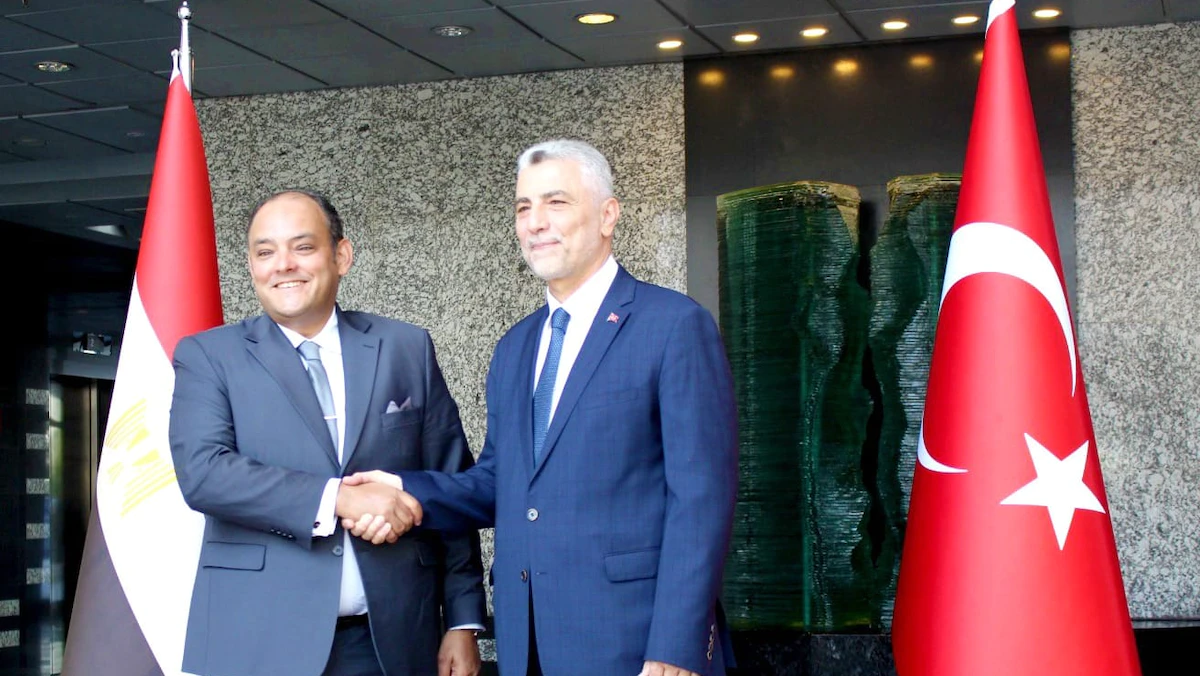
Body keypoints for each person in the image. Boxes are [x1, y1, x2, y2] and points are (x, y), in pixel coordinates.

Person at [346, 140, 739, 676]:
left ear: (607, 215)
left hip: (636, 643)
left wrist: (675, 646)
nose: (535, 223)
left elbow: (701, 499)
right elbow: (500, 483)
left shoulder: (673, 325)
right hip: (527, 643)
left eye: (556, 202)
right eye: (523, 207)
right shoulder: (516, 347)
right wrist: (401, 489)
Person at [168, 189, 485, 676]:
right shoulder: (209, 356)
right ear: (251, 266)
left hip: (393, 641)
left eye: (303, 247)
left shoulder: (405, 347)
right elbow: (205, 474)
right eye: (265, 252)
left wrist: (462, 621)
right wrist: (340, 499)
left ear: (341, 255)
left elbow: (451, 484)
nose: (283, 265)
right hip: (258, 640)